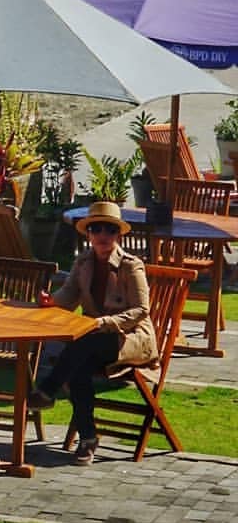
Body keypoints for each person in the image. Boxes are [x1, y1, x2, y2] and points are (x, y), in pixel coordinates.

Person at [27, 200, 157, 466]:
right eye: (96, 229)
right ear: (88, 234)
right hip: (92, 339)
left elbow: (141, 310)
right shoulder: (83, 261)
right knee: (79, 368)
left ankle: (47, 389)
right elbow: (69, 294)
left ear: (118, 235)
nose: (102, 236)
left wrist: (105, 322)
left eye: (109, 230)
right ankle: (88, 439)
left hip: (128, 338)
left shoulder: (131, 266)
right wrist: (50, 301)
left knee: (84, 343)